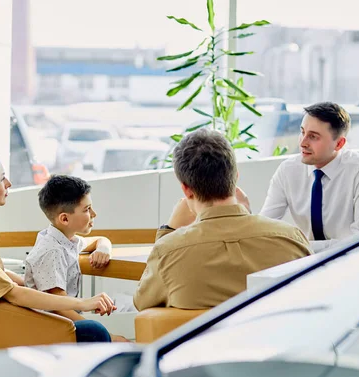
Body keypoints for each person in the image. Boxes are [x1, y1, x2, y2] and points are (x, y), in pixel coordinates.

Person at [0, 146, 115, 343]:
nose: (8, 183)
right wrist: (84, 303)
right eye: (1, 179)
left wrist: (31, 282)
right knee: (93, 331)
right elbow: (14, 295)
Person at [133, 128, 312, 311]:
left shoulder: (169, 252)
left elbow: (142, 302)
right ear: (235, 177)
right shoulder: (291, 239)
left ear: (186, 190)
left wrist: (169, 231)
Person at [258, 102, 359, 252]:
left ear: (339, 144)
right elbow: (264, 230)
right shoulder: (288, 170)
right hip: (302, 263)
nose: (303, 143)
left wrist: (302, 246)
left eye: (313, 137)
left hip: (349, 264)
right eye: (302, 132)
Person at [23, 175, 130, 342]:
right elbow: (59, 306)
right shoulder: (51, 251)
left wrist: (103, 248)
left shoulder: (65, 239)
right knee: (101, 332)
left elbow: (99, 240)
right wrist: (110, 337)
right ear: (64, 218)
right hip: (52, 327)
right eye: (87, 209)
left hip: (65, 319)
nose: (94, 214)